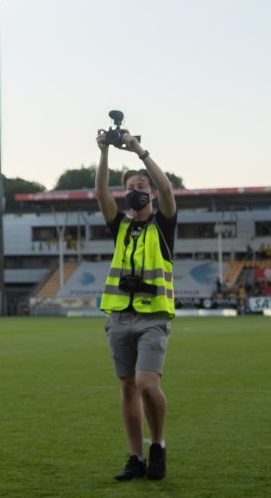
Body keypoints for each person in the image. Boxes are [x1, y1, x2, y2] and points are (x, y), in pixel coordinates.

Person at [94, 127, 177, 482]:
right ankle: (135, 457)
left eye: (141, 188)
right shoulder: (122, 227)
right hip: (119, 317)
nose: (134, 192)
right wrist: (104, 153)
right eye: (130, 188)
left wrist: (138, 150)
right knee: (127, 387)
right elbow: (100, 194)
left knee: (146, 383)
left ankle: (157, 445)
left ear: (151, 194)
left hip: (152, 318)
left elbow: (169, 190)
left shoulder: (163, 224)